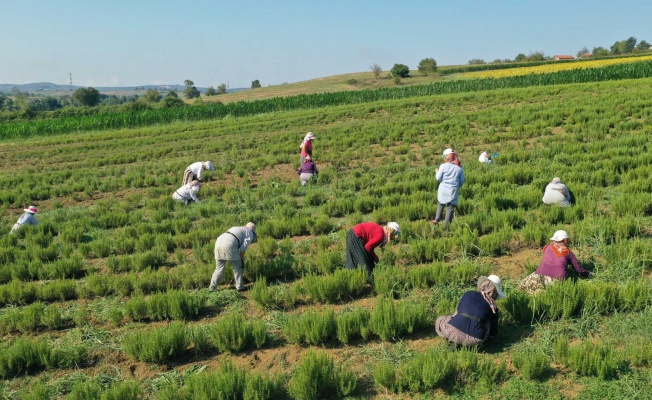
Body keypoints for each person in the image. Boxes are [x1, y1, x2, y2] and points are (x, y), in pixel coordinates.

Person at [435, 275, 505, 347]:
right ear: (495, 292)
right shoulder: (493, 307)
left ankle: (453, 338)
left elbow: (456, 313)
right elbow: (493, 332)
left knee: (440, 319)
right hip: (474, 339)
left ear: (482, 285)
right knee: (487, 321)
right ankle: (465, 342)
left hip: (452, 331)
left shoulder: (468, 293)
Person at [518, 230, 589, 294]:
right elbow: (579, 270)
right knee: (547, 293)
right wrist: (588, 274)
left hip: (538, 277)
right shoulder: (569, 253)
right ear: (565, 240)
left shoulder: (547, 247)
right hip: (556, 281)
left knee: (523, 288)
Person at [210, 222, 257, 292]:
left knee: (218, 269)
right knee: (238, 267)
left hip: (218, 242)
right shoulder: (250, 233)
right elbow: (243, 248)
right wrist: (242, 258)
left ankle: (212, 288)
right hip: (229, 245)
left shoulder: (238, 228)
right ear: (253, 230)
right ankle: (239, 287)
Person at [432, 148, 465, 228]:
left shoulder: (443, 166)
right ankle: (446, 227)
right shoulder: (459, 168)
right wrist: (457, 186)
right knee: (450, 208)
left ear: (446, 157)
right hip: (453, 190)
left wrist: (437, 171)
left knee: (441, 203)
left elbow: (438, 178)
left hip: (443, 189)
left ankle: (437, 219)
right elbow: (461, 181)